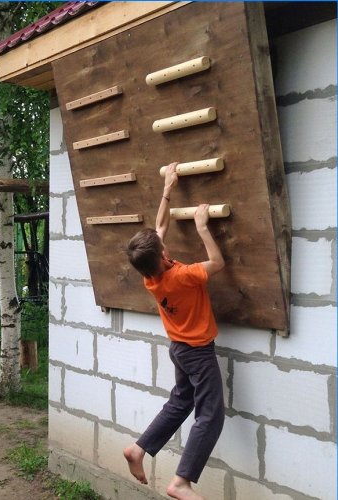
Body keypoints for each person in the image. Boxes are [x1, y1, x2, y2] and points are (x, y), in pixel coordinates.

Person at [123, 162, 225, 500]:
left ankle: (139, 449)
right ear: (164, 255)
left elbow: (159, 226)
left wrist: (169, 185)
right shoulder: (183, 275)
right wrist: (202, 227)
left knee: (181, 401)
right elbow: (217, 263)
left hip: (179, 349)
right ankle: (181, 482)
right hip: (197, 351)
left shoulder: (151, 276)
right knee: (210, 413)